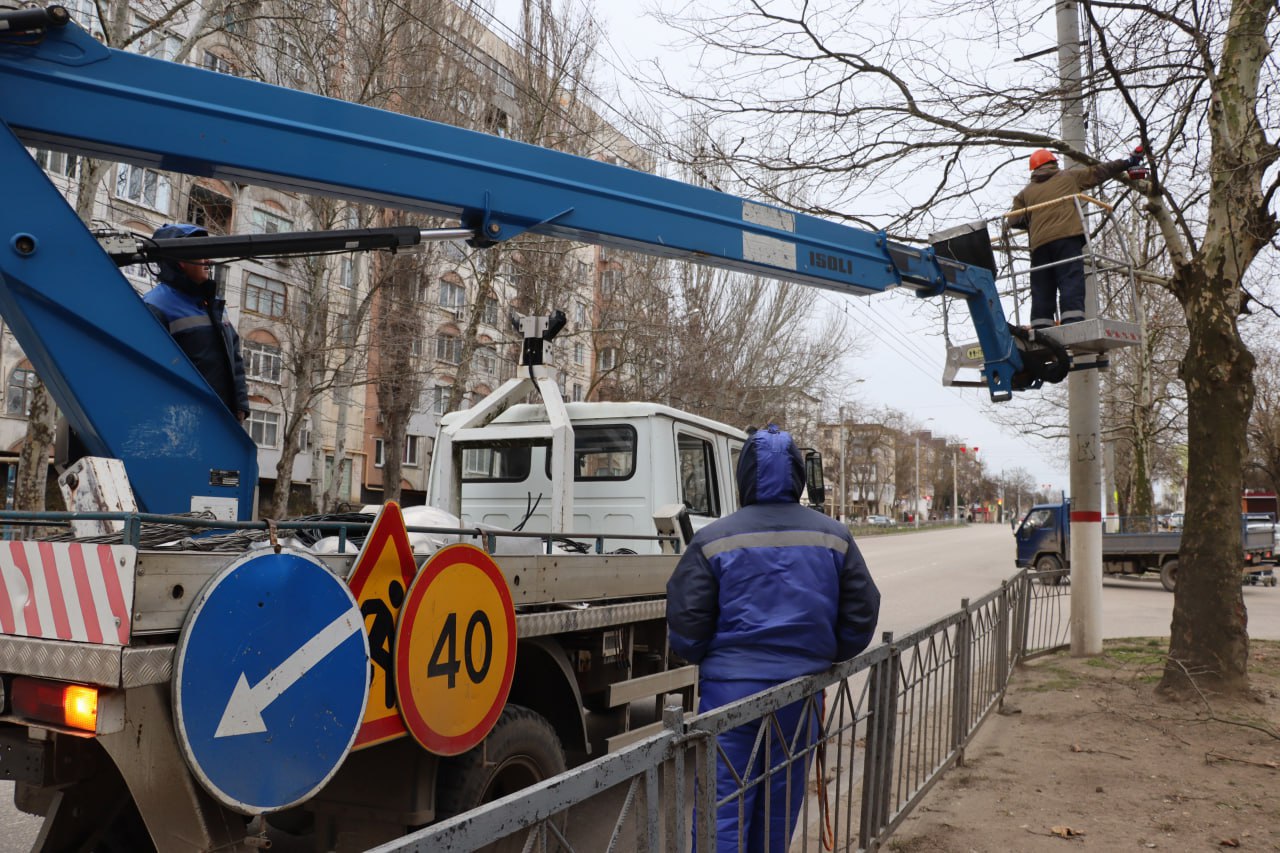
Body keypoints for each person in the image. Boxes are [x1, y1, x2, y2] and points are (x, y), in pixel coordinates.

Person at [666, 424, 881, 853]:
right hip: (800, 693)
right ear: (799, 475)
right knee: (781, 802)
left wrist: (711, 657)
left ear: (745, 474)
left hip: (728, 696)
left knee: (722, 803)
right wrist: (828, 653)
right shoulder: (833, 536)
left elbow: (687, 620)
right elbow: (862, 609)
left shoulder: (712, 539)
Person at [1009, 147, 1143, 329]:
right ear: (1053, 163)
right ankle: (1072, 320)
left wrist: (1035, 221)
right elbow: (1099, 172)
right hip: (1066, 238)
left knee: (1042, 285)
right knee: (1070, 279)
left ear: (1034, 170)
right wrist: (1128, 162)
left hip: (1039, 245)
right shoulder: (1068, 177)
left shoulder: (1025, 193)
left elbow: (1013, 220)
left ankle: (1041, 324)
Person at [143, 223, 249, 422]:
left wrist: (240, 405)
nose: (208, 260)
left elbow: (234, 357)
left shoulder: (213, 303)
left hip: (223, 419)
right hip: (184, 422)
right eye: (201, 254)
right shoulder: (156, 306)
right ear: (180, 261)